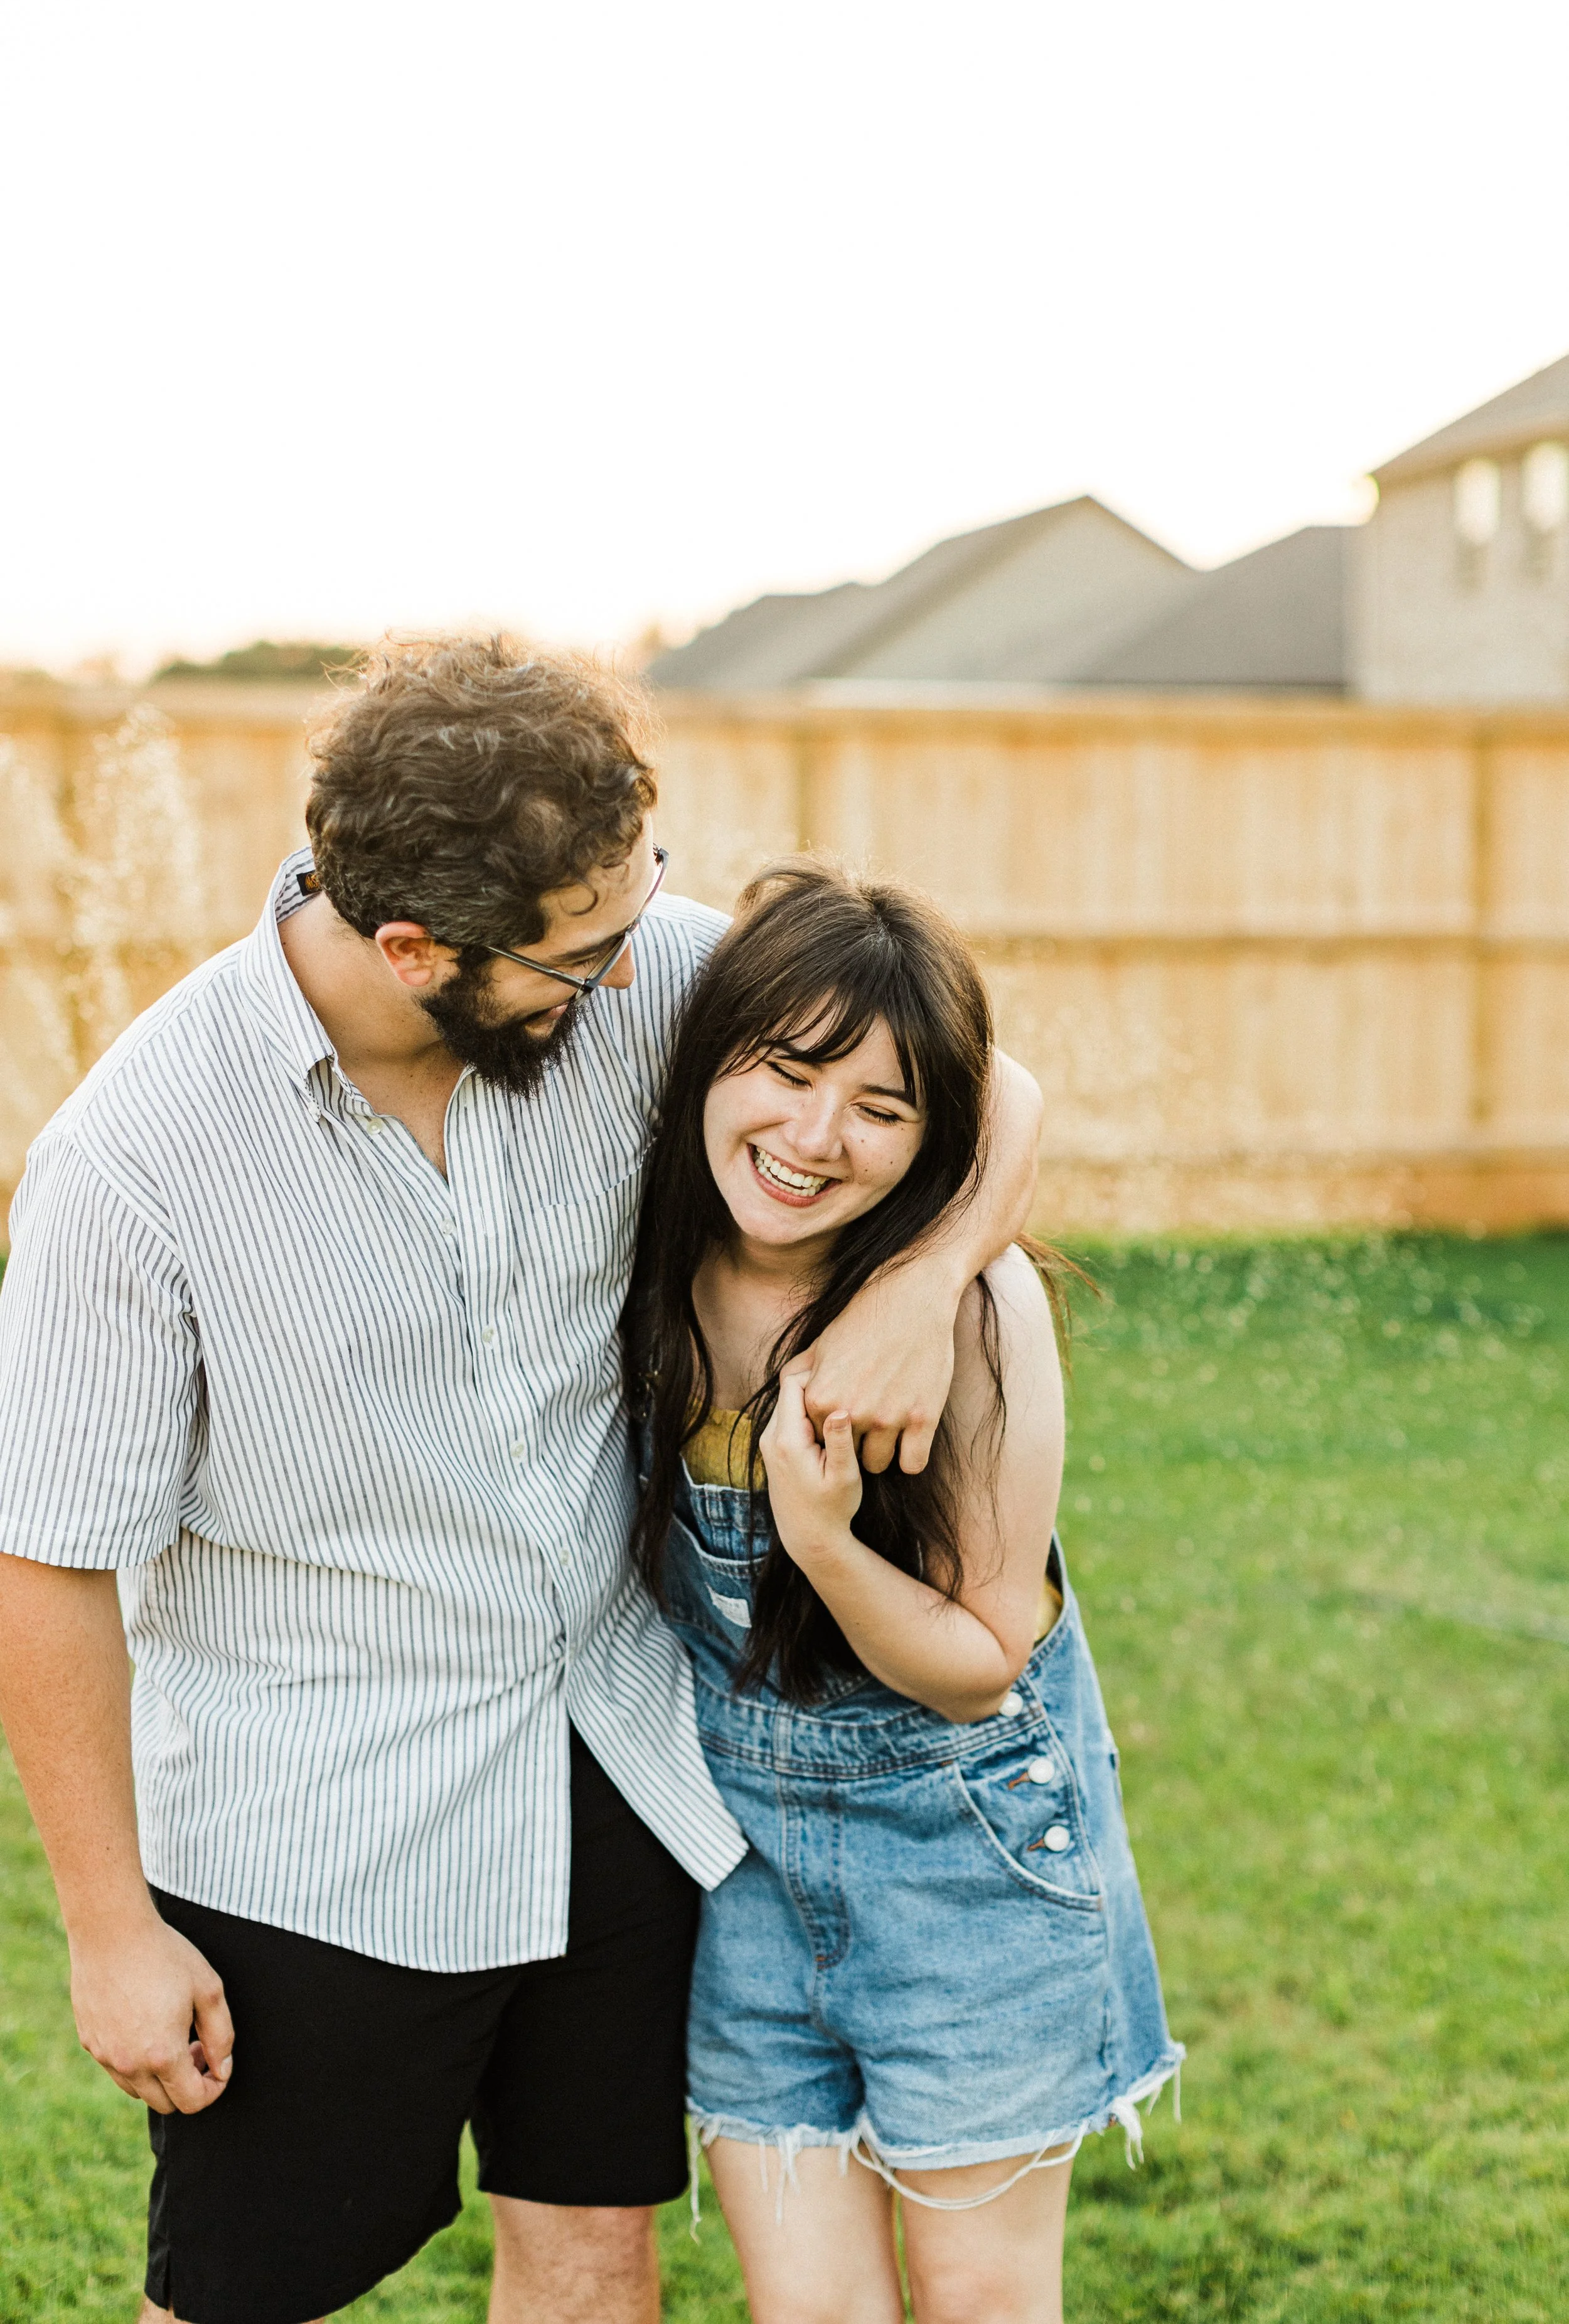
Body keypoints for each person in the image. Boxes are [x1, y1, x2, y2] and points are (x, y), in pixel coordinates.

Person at [0, 640, 1044, 2324]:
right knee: (242, 2292)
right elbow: (45, 1557)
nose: (642, 974)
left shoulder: (636, 972)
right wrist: (109, 1927)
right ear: (414, 948)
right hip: (319, 1831)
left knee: (589, 2249)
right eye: (590, 948)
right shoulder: (134, 1165)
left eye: (642, 910)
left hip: (611, 1758)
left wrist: (926, 1291)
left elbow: (989, 1085)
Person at [626, 858, 1181, 2324]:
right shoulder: (652, 1244)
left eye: (883, 1109)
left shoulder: (976, 1317)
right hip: (744, 1870)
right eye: (790, 1075)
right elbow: (1000, 1077)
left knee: (978, 2301)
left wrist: (821, 1541)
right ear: (708, 1055)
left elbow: (980, 1660)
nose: (817, 1138)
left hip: (969, 1872)